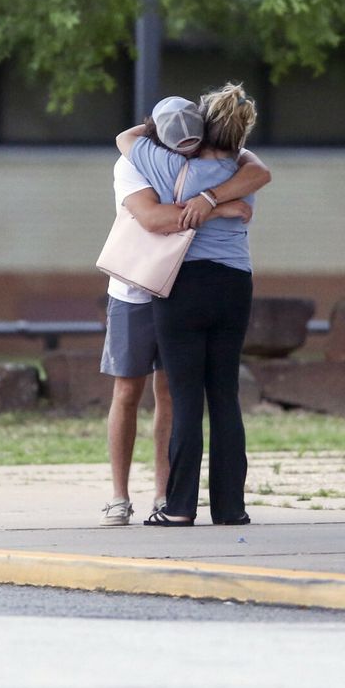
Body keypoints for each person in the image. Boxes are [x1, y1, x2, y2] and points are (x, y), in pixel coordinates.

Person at [99, 97, 267, 526]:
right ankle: (226, 508)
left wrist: (206, 201)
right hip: (176, 285)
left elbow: (124, 139)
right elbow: (154, 219)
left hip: (184, 286)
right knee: (215, 396)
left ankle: (174, 504)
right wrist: (219, 204)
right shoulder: (232, 166)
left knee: (182, 397)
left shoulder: (156, 159)